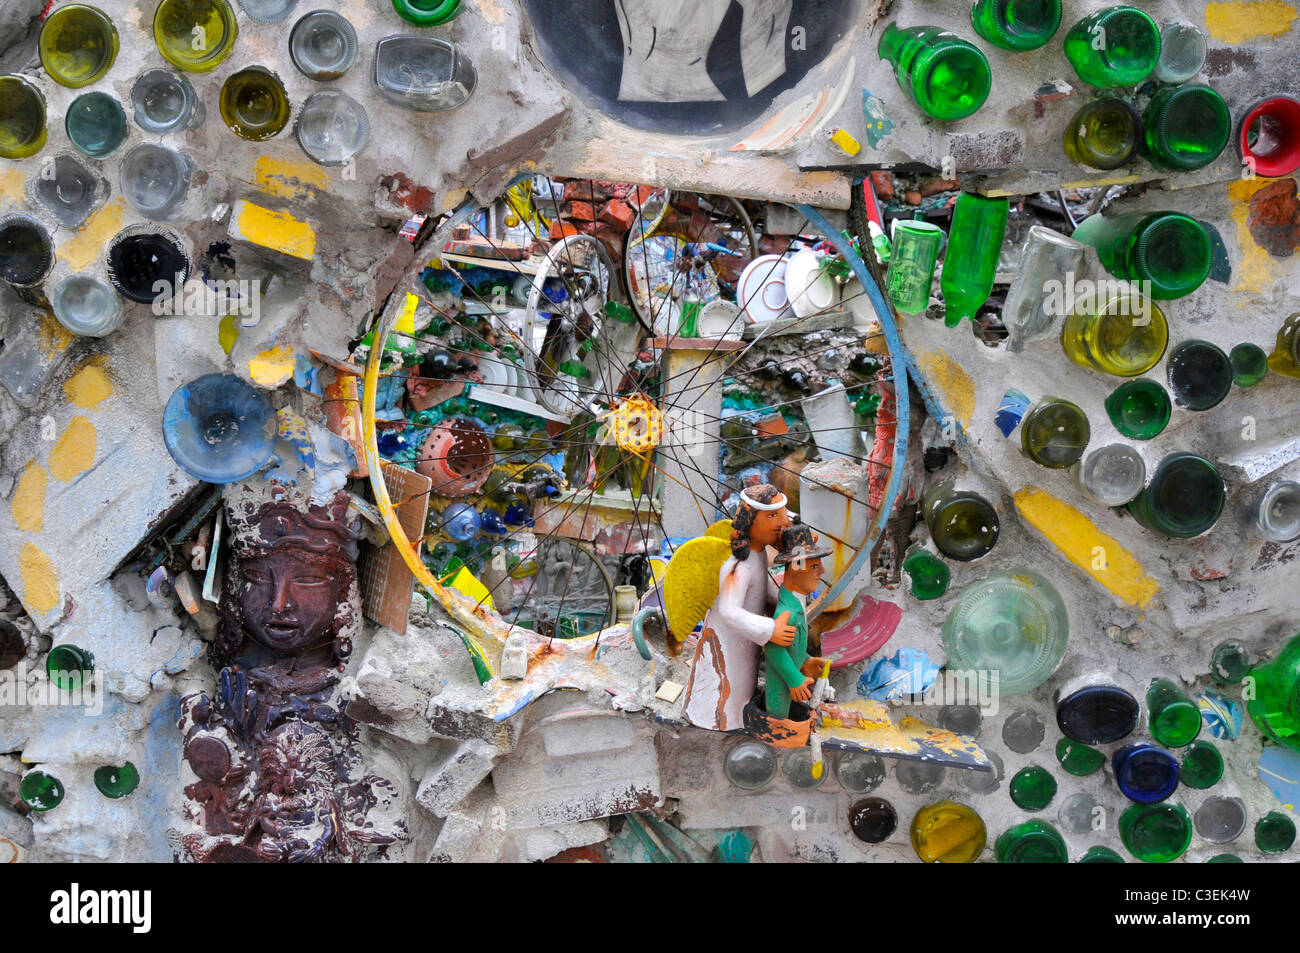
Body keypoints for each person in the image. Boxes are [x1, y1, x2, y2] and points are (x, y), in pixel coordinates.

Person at [683, 484, 795, 730]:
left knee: (742, 687)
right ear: (751, 522)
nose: (783, 522)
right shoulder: (738, 567)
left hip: (745, 643)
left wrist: (785, 603)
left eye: (782, 513)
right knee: (724, 689)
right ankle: (716, 721)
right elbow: (729, 611)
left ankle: (734, 720)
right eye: (773, 516)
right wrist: (770, 628)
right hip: (728, 644)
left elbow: (761, 588)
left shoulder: (757, 555)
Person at [765, 525, 830, 720]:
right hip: (781, 693)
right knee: (779, 723)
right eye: (814, 567)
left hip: (789, 690)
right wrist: (795, 680)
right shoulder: (788, 611)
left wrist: (805, 659)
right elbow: (773, 648)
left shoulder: (795, 603)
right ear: (796, 567)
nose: (822, 571)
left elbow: (791, 644)